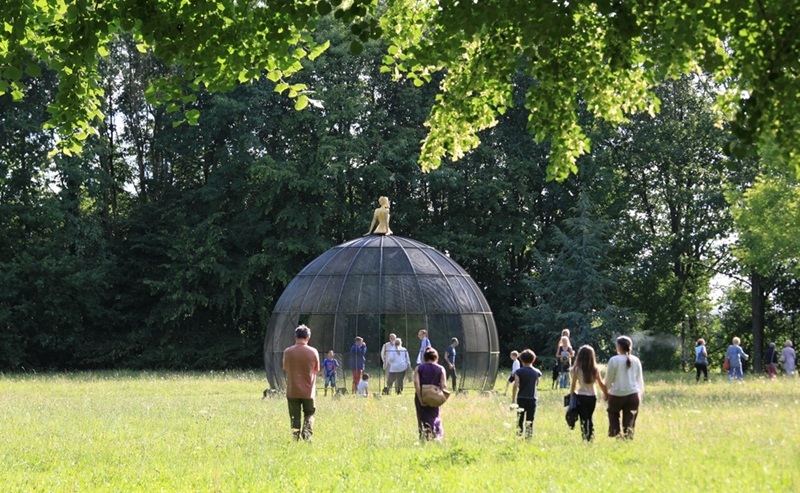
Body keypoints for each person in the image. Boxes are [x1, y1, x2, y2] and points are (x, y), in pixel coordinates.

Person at [282, 325, 320, 441]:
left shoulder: (288, 351)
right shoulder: (313, 351)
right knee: (309, 413)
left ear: (295, 337)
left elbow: (285, 368)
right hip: (308, 391)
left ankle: (295, 438)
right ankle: (307, 433)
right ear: (308, 337)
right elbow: (316, 369)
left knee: (295, 416)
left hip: (292, 390)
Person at [604, 336, 644, 440]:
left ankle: (617, 436)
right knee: (629, 421)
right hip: (633, 395)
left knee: (612, 413)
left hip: (617, 395)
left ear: (619, 346)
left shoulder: (614, 360)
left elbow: (609, 379)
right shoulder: (636, 360)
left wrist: (606, 392)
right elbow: (639, 381)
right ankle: (628, 438)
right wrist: (640, 394)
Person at [569, 345, 608, 441]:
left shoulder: (577, 369)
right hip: (592, 396)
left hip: (581, 396)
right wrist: (606, 393)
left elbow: (573, 385)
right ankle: (591, 436)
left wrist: (570, 398)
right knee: (590, 417)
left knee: (583, 418)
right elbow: (600, 383)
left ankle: (585, 437)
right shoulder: (595, 369)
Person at [414, 347, 447, 441]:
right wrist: (442, 397)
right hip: (435, 396)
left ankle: (424, 437)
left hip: (422, 395)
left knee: (422, 417)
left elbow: (416, 383)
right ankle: (437, 435)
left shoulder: (419, 368)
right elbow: (444, 385)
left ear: (424, 358)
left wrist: (420, 398)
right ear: (436, 357)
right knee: (435, 416)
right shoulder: (440, 369)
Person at [511, 349, 542, 439]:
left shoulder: (519, 372)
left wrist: (513, 400)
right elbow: (537, 384)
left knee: (520, 419)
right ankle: (528, 437)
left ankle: (519, 435)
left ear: (521, 360)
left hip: (521, 398)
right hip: (532, 398)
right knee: (530, 420)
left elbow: (515, 385)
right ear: (533, 360)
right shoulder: (537, 372)